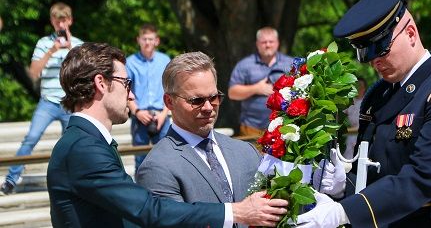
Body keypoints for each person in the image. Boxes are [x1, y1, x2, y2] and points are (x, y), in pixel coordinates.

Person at [296, 0, 431, 227]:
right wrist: (346, 185)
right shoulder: (379, 96)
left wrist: (343, 212)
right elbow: (376, 172)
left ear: (411, 34)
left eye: (382, 49)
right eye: (368, 55)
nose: (375, 62)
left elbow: (422, 178)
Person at [47, 42, 288, 227]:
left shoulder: (86, 143)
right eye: (126, 83)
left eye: (214, 97)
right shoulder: (84, 147)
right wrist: (236, 211)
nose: (131, 96)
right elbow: (150, 211)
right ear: (101, 83)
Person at [136, 52, 261, 211]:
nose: (208, 108)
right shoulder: (157, 168)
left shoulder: (246, 152)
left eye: (214, 97)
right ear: (169, 102)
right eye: (197, 101)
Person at [1, 2, 83, 195]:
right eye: (57, 20)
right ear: (52, 22)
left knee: (72, 144)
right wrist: (51, 52)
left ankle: (70, 183)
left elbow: (84, 74)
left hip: (70, 103)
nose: (61, 25)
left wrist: (70, 50)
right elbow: (33, 73)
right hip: (48, 102)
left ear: (70, 21)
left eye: (64, 20)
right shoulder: (44, 43)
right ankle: (11, 179)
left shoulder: (79, 45)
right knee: (31, 138)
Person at [228, 27, 294, 136]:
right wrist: (256, 89)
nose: (267, 45)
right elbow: (232, 93)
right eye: (264, 42)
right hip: (251, 128)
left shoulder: (290, 63)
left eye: (271, 42)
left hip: (284, 127)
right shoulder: (245, 65)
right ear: (257, 44)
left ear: (277, 43)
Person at [126, 23, 172, 172]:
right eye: (144, 39)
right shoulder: (130, 62)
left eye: (150, 39)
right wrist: (137, 112)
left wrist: (164, 114)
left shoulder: (165, 61)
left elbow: (170, 89)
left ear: (156, 41)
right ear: (138, 40)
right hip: (140, 116)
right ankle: (141, 193)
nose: (147, 42)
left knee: (167, 158)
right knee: (141, 160)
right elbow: (125, 90)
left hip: (162, 115)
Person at [342, 77, 366, 159]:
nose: (358, 88)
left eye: (360, 86)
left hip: (361, 135)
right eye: (357, 86)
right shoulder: (350, 102)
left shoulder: (366, 103)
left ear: (364, 88)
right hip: (349, 135)